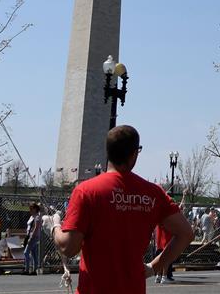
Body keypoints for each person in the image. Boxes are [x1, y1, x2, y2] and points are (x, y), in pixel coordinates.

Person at [46, 125, 193, 294]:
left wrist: (54, 227)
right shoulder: (153, 193)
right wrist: (154, 267)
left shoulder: (86, 191)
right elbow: (186, 234)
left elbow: (69, 248)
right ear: (134, 154)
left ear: (108, 152)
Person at [23, 203, 42, 276]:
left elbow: (36, 228)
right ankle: (34, 270)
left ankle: (27, 269)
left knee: (26, 252)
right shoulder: (32, 216)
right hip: (30, 235)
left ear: (35, 209)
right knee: (34, 253)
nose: (30, 210)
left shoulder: (37, 217)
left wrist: (31, 237)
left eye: (31, 208)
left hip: (34, 236)